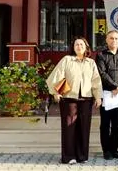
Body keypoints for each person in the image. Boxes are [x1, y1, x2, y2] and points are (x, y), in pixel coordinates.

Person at [46, 37, 102, 165]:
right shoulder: (67, 60)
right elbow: (56, 76)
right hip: (69, 99)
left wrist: (98, 96)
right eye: (76, 44)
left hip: (86, 99)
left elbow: (96, 81)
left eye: (81, 44)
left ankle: (82, 156)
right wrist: (56, 92)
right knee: (69, 128)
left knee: (84, 127)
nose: (79, 46)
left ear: (86, 47)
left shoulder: (91, 63)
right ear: (73, 47)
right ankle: (68, 156)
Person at [95, 30, 118, 160]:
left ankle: (114, 149)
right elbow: (102, 73)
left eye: (116, 38)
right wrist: (115, 86)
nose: (114, 40)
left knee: (117, 125)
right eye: (111, 38)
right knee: (105, 124)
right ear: (106, 40)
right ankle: (106, 151)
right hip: (107, 94)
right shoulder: (101, 56)